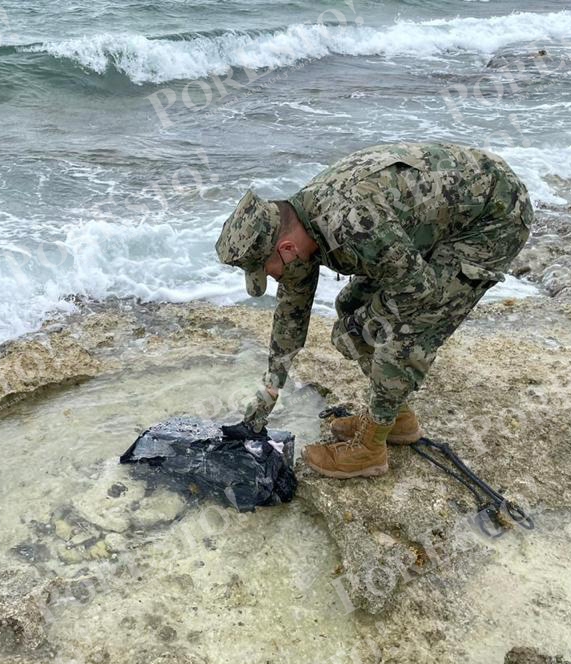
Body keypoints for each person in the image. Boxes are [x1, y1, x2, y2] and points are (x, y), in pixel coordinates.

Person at [215, 142, 533, 479]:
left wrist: (365, 323)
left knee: (393, 329)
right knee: (350, 307)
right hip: (441, 217)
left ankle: (370, 449)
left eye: (267, 270)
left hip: (493, 219)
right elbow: (291, 311)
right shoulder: (298, 224)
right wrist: (269, 392)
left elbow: (419, 293)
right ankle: (397, 418)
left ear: (286, 248)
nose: (271, 277)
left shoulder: (352, 223)